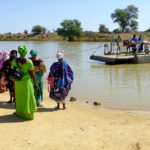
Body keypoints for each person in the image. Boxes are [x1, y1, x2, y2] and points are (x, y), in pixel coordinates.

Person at [12, 45, 38, 120]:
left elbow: (13, 72)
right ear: (26, 52)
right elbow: (32, 74)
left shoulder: (14, 61)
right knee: (28, 97)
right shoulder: (29, 62)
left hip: (18, 82)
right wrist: (35, 83)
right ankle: (28, 115)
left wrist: (14, 83)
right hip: (27, 82)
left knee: (19, 97)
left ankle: (19, 113)